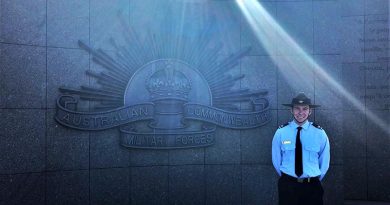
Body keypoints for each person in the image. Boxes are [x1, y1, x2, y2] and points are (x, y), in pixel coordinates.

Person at [272, 93, 330, 205]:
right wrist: (288, 178)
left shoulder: (319, 133)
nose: (300, 112)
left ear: (310, 111)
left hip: (312, 187)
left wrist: (313, 178)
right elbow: (276, 160)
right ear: (291, 110)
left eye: (305, 109)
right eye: (297, 108)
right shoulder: (281, 132)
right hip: (288, 186)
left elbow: (324, 161)